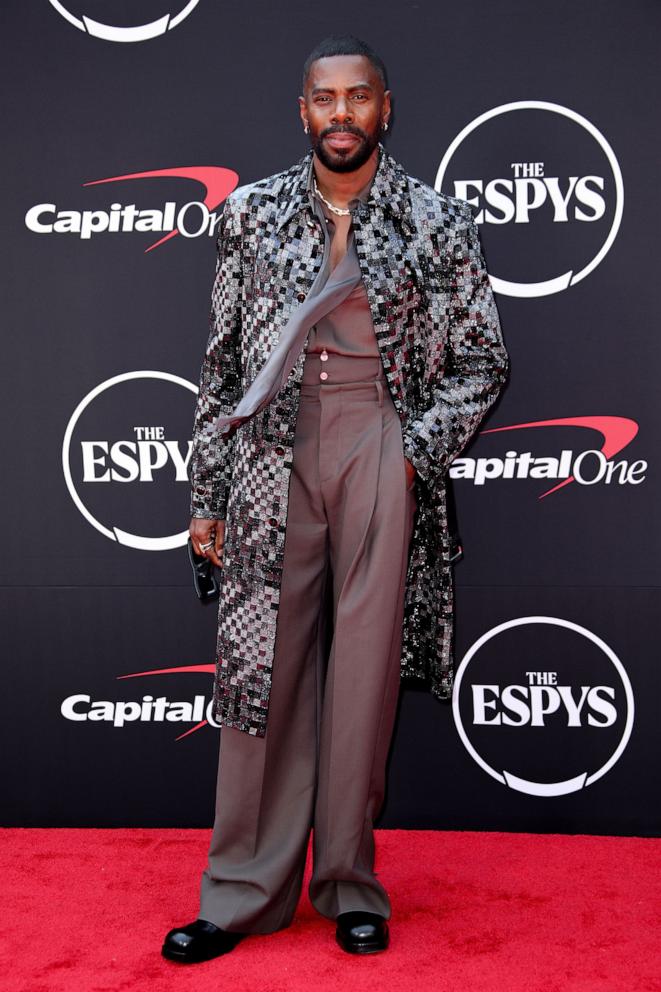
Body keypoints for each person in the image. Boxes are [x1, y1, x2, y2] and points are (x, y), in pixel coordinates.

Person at [162, 34, 509, 964]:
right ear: (303, 112)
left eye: (360, 97)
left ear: (385, 110)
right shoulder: (252, 212)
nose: (342, 113)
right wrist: (207, 491)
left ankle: (350, 882)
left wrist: (410, 453)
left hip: (378, 448)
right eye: (326, 99)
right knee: (257, 680)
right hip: (270, 454)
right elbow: (224, 365)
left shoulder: (434, 221)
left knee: (361, 681)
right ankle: (240, 892)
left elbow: (483, 361)